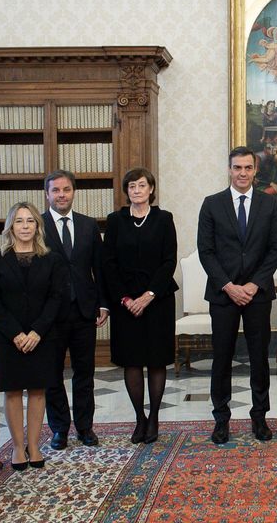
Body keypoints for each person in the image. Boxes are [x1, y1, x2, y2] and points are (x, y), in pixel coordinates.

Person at [198, 146, 277, 445]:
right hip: (223, 295)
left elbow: (276, 249)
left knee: (259, 358)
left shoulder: (268, 204)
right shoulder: (212, 204)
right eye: (237, 168)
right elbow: (206, 252)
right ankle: (221, 419)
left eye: (248, 168)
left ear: (255, 170)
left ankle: (259, 417)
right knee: (222, 358)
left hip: (257, 295)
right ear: (229, 169)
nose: (243, 173)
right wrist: (229, 286)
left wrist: (253, 285)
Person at [0, 202, 67, 471]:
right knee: (13, 392)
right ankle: (18, 448)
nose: (25, 226)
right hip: (8, 338)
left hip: (42, 337)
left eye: (30, 221)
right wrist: (17, 334)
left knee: (39, 391)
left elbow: (56, 299)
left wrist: (36, 332)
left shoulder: (51, 258)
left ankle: (34, 446)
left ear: (37, 226)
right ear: (11, 226)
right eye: (19, 221)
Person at [102, 167, 178, 444]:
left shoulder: (163, 219)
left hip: (157, 300)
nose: (136, 190)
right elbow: (107, 264)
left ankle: (155, 416)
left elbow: (169, 261)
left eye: (142, 185)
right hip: (125, 303)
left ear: (151, 189)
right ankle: (139, 419)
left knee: (157, 360)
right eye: (131, 186)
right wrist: (126, 299)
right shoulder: (115, 221)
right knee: (131, 361)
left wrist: (148, 295)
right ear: (127, 191)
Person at [41, 170, 108, 451]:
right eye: (56, 190)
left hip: (84, 310)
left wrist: (103, 303)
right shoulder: (37, 225)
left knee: (85, 374)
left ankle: (85, 427)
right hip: (50, 315)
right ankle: (59, 429)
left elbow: (100, 267)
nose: (61, 195)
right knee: (51, 375)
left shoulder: (88, 225)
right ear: (47, 194)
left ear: (73, 192)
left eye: (66, 190)